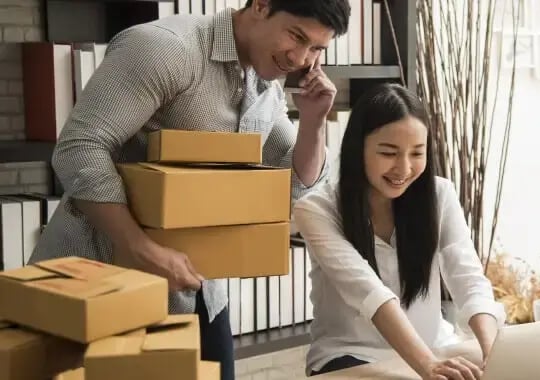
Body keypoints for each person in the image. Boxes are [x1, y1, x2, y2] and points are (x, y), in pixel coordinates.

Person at [28, 1, 350, 379]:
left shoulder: (265, 82)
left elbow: (296, 188)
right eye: (296, 36)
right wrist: (141, 247)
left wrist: (313, 121)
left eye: (315, 49)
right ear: (261, 5)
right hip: (101, 280)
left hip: (198, 290)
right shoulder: (165, 49)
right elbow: (79, 146)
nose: (300, 58)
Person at [293, 83, 507, 380]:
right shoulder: (316, 209)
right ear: (358, 149)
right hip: (351, 356)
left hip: (435, 346)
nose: (404, 168)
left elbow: (468, 278)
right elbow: (370, 294)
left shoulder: (439, 194)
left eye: (416, 153)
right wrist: (427, 366)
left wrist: (494, 354)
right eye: (389, 152)